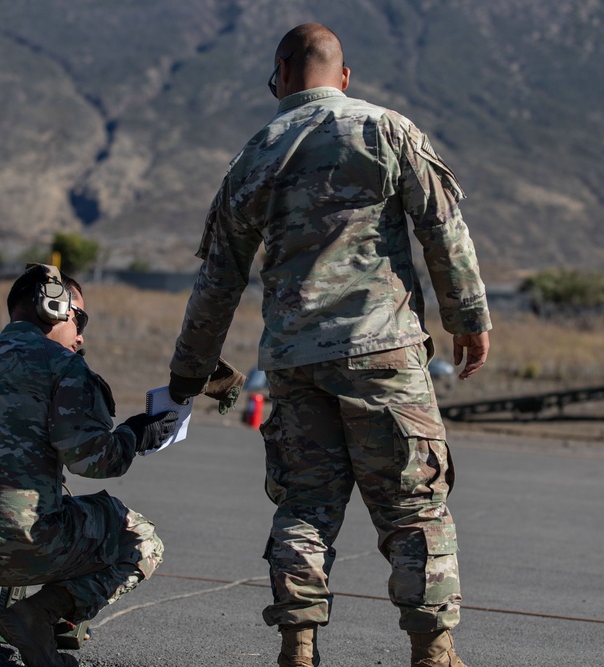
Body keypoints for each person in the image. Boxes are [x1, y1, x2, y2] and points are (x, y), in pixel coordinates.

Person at [167, 23, 491, 667]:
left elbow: (217, 283)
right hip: (383, 352)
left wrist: (189, 373)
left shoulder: (253, 156)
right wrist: (468, 316)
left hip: (294, 363)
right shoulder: (386, 130)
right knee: (413, 506)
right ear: (343, 77)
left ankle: (299, 645)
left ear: (281, 75)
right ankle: (433, 652)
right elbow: (442, 230)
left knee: (305, 506)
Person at [0, 263, 177, 667]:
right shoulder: (64, 367)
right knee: (140, 538)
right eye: (80, 318)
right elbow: (93, 461)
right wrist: (135, 435)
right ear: (57, 309)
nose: (81, 333)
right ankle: (36, 615)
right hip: (25, 548)